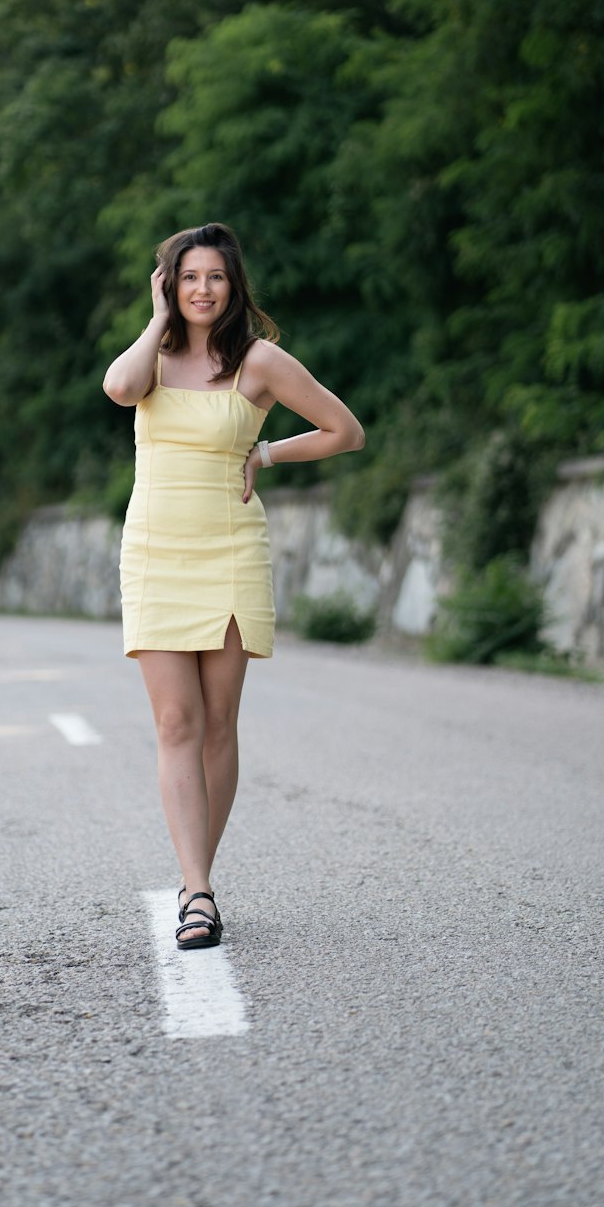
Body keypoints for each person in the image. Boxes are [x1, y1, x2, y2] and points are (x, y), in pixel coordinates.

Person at [102, 223, 364, 950]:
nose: (202, 290)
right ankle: (199, 888)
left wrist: (271, 450)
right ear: (169, 285)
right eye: (188, 278)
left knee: (217, 723)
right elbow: (118, 389)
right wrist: (155, 321)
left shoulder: (259, 362)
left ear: (233, 285)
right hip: (155, 553)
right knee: (175, 723)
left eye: (215, 277)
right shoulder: (149, 358)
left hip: (229, 551)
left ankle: (196, 884)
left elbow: (345, 430)